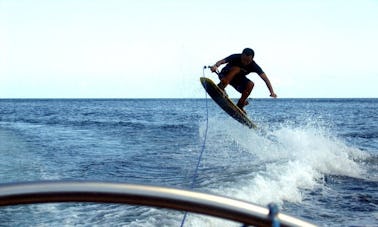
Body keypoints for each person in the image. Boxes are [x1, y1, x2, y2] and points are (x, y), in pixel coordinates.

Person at [210, 48, 277, 113]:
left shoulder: (254, 65)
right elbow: (221, 61)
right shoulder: (235, 56)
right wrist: (215, 66)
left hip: (236, 81)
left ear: (252, 59)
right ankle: (221, 86)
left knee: (251, 84)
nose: (245, 62)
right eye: (244, 60)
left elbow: (265, 79)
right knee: (237, 69)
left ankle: (240, 104)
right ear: (241, 55)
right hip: (225, 75)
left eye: (248, 61)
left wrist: (272, 92)